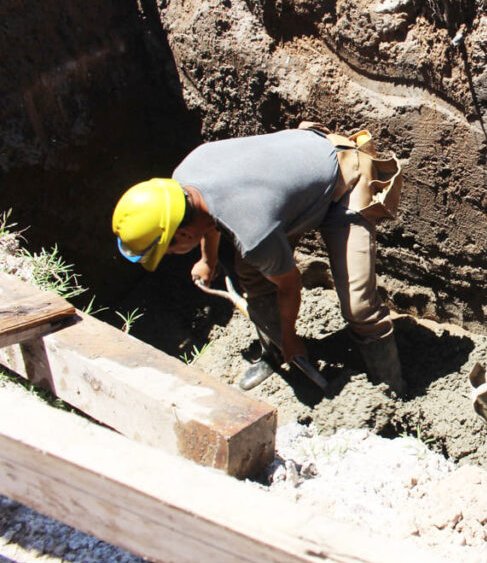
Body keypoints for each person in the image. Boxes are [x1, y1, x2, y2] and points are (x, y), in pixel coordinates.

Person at [111, 126, 405, 394]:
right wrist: (207, 260)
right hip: (293, 186)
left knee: (359, 307)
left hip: (345, 180)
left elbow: (290, 284)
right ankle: (274, 352)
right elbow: (209, 217)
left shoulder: (253, 232)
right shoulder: (182, 183)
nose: (171, 255)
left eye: (169, 250)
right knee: (252, 272)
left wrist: (291, 337)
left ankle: (390, 388)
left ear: (184, 234)